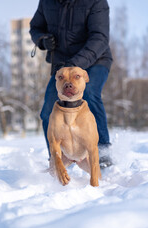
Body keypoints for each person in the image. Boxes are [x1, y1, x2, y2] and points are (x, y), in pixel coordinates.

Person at [30, 0, 113, 167]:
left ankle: (102, 153)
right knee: (48, 111)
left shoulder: (96, 2)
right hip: (61, 67)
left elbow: (100, 38)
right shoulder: (47, 2)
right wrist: (42, 40)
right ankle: (57, 159)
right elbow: (35, 27)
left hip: (95, 60)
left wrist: (75, 65)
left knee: (88, 93)